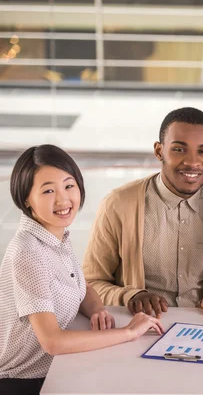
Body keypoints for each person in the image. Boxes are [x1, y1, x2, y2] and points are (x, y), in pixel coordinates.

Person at [0, 145, 164, 395]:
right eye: (47, 191)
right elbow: (53, 342)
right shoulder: (29, 251)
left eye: (68, 186)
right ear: (26, 199)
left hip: (58, 369)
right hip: (23, 382)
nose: (63, 200)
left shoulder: (55, 235)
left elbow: (80, 286)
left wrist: (97, 309)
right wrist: (129, 332)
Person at [83, 107, 203, 317]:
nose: (192, 162)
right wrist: (130, 297)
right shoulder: (118, 204)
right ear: (159, 151)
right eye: (179, 149)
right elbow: (90, 284)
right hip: (139, 326)